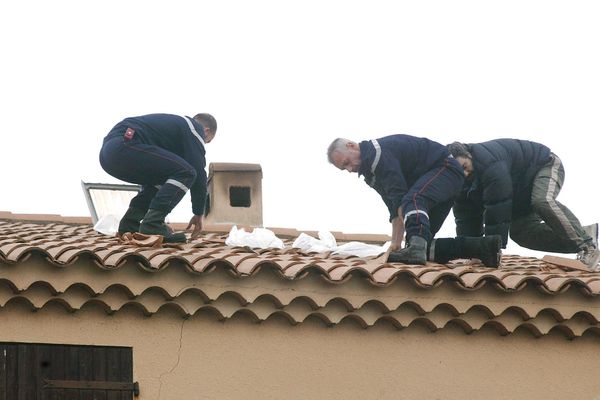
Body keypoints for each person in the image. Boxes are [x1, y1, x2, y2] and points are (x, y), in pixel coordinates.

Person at [327, 135, 503, 267]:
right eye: (345, 168)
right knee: (423, 244)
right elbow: (395, 207)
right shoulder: (371, 174)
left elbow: (402, 199)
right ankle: (485, 249)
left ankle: (416, 247)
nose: (350, 169)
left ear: (351, 146)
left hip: (445, 169)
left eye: (347, 162)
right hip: (442, 181)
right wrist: (396, 245)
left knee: (413, 201)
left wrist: (403, 244)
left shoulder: (377, 154)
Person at [447, 139, 600, 269]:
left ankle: (587, 246)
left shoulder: (489, 161)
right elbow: (466, 219)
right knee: (521, 233)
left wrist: (492, 250)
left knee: (542, 200)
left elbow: (497, 207)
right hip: (519, 193)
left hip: (544, 165)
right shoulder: (460, 186)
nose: (465, 174)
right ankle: (584, 232)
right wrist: (473, 253)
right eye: (460, 173)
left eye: (465, 167)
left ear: (469, 156)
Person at [99, 113, 217, 243]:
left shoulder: (170, 131)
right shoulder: (194, 128)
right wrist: (199, 212)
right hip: (125, 144)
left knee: (166, 177)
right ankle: (153, 224)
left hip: (109, 154)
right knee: (187, 172)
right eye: (207, 141)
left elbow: (155, 177)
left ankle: (129, 224)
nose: (203, 145)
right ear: (206, 131)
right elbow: (198, 171)